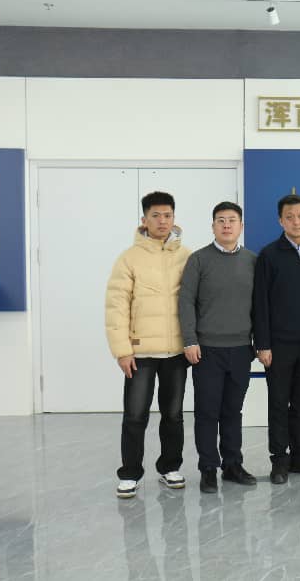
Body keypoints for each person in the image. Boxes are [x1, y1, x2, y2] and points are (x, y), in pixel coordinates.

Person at [105, 191, 191, 499]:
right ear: (144, 220)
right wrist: (122, 350)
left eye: (167, 215)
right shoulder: (129, 258)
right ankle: (130, 473)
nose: (162, 221)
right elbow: (116, 306)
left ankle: (170, 467)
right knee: (135, 415)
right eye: (156, 215)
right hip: (140, 352)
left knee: (174, 415)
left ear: (173, 218)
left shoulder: (186, 256)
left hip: (176, 352)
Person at [178, 201, 258, 494]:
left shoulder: (252, 261)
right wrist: (190, 340)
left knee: (233, 411)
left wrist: (258, 343)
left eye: (232, 220)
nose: (226, 225)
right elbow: (185, 301)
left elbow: (260, 306)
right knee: (207, 412)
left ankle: (233, 465)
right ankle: (208, 469)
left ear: (241, 226)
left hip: (241, 349)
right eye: (221, 220)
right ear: (213, 226)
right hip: (207, 350)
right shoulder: (198, 260)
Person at [253, 194, 300, 485]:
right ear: (280, 220)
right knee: (278, 403)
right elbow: (260, 303)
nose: (296, 222)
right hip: (278, 345)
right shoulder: (269, 256)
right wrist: (263, 344)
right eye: (290, 217)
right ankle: (279, 460)